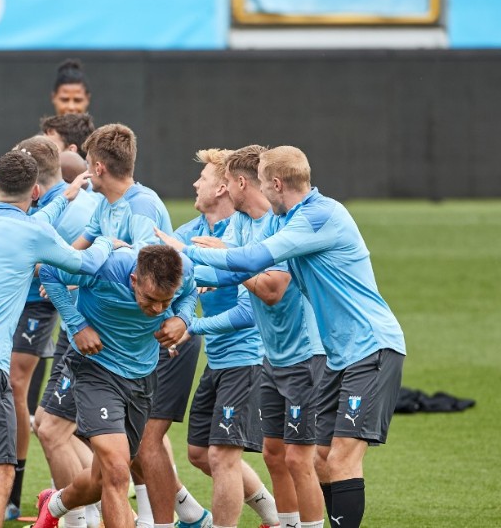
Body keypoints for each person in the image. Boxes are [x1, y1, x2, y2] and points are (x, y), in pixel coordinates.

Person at [159, 146, 407, 528]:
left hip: (369, 346)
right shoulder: (288, 221)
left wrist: (187, 251)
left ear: (274, 184)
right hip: (339, 356)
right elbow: (237, 271)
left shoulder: (319, 216)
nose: (255, 191)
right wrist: (178, 268)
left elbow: (252, 266)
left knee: (337, 459)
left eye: (260, 183)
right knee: (320, 459)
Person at [0, 149, 114, 528]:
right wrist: (110, 242)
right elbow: (88, 263)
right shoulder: (33, 232)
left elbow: (28, 220)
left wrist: (64, 198)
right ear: (34, 191)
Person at [196, 144, 328, 528]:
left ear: (239, 183)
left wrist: (225, 259)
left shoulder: (281, 224)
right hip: (274, 355)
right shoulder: (240, 224)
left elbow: (272, 290)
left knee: (300, 458)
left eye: (224, 182)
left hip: (305, 353)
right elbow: (230, 271)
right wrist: (186, 269)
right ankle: (284, 523)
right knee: (273, 453)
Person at [33, 245, 196, 528]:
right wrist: (76, 324)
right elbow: (48, 271)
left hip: (142, 377)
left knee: (101, 478)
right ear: (134, 279)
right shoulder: (103, 269)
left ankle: (55, 503)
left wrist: (182, 318)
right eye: (150, 298)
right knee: (118, 472)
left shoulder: (184, 270)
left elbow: (191, 293)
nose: (157, 309)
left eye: (165, 301)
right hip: (95, 369)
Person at [171, 149, 279, 528]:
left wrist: (192, 327)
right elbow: (169, 264)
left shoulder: (242, 232)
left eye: (202, 178)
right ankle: (274, 517)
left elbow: (249, 312)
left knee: (222, 456)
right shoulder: (190, 233)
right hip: (217, 360)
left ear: (222, 187)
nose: (195, 184)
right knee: (200, 453)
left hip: (247, 360)